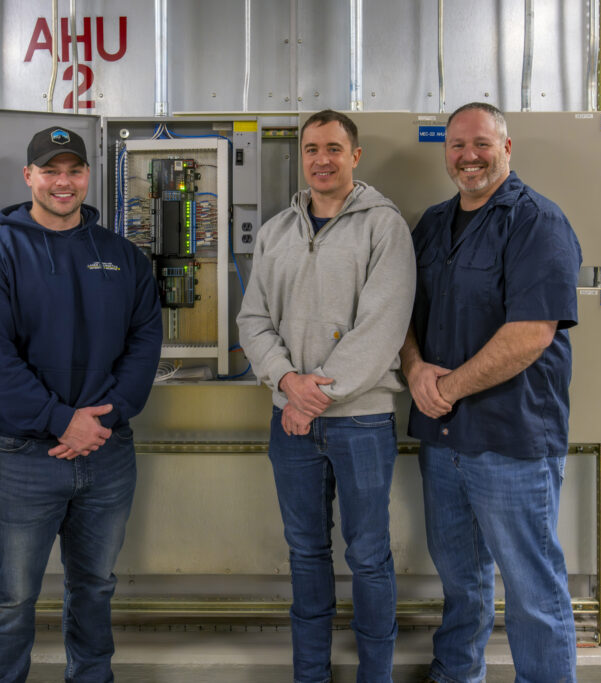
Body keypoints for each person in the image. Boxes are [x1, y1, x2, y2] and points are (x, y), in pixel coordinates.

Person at [0, 126, 163, 683]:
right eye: (50, 171)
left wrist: (106, 417)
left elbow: (145, 343)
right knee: (12, 595)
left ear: (88, 177)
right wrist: (60, 421)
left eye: (73, 171)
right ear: (29, 178)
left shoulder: (123, 257)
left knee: (95, 586)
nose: (63, 182)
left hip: (107, 452)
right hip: (23, 457)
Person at [400, 102, 582, 682]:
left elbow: (531, 333)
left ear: (508, 148)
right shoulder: (431, 223)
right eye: (456, 145)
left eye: (481, 143)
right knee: (461, 586)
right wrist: (412, 369)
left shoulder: (538, 222)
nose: (468, 156)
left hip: (512, 442)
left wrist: (446, 385)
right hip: (443, 440)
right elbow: (400, 311)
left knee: (533, 592)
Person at [237, 109, 416, 683]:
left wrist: (313, 396)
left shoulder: (384, 227)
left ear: (355, 156)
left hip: (360, 422)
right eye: (312, 149)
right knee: (306, 554)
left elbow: (382, 325)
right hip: (289, 420)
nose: (322, 159)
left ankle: (375, 675)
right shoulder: (275, 232)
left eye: (334, 148)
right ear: (301, 156)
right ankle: (309, 673)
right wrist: (287, 382)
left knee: (368, 556)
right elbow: (253, 318)